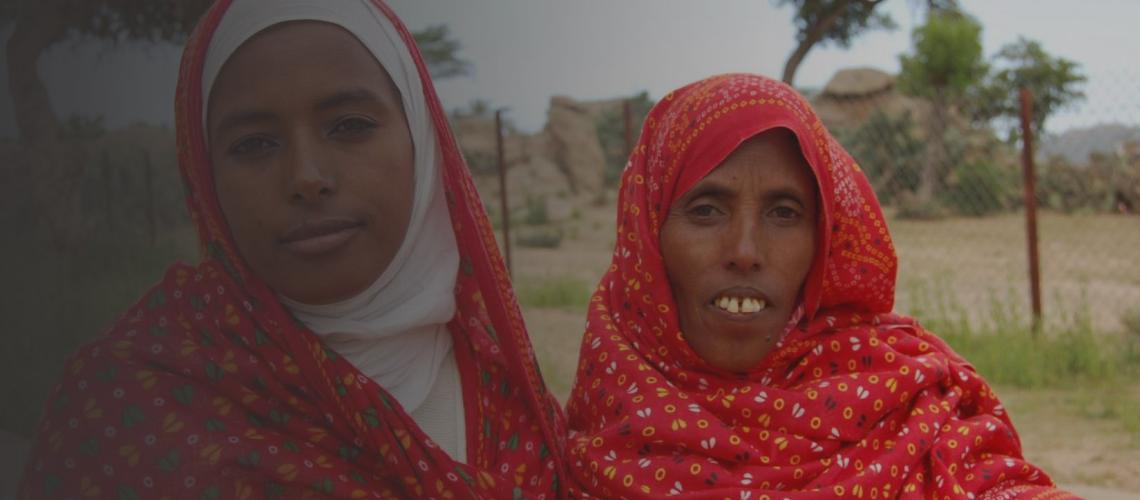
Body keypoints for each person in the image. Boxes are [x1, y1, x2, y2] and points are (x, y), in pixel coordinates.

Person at [19, 0, 567, 497]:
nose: (306, 177)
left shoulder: (500, 377)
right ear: (206, 174)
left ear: (420, 140)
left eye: (349, 125)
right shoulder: (128, 410)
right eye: (255, 143)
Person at [565, 73, 1075, 499]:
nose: (744, 250)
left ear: (824, 241)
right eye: (705, 210)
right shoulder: (613, 384)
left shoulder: (897, 396)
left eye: (784, 213)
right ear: (648, 235)